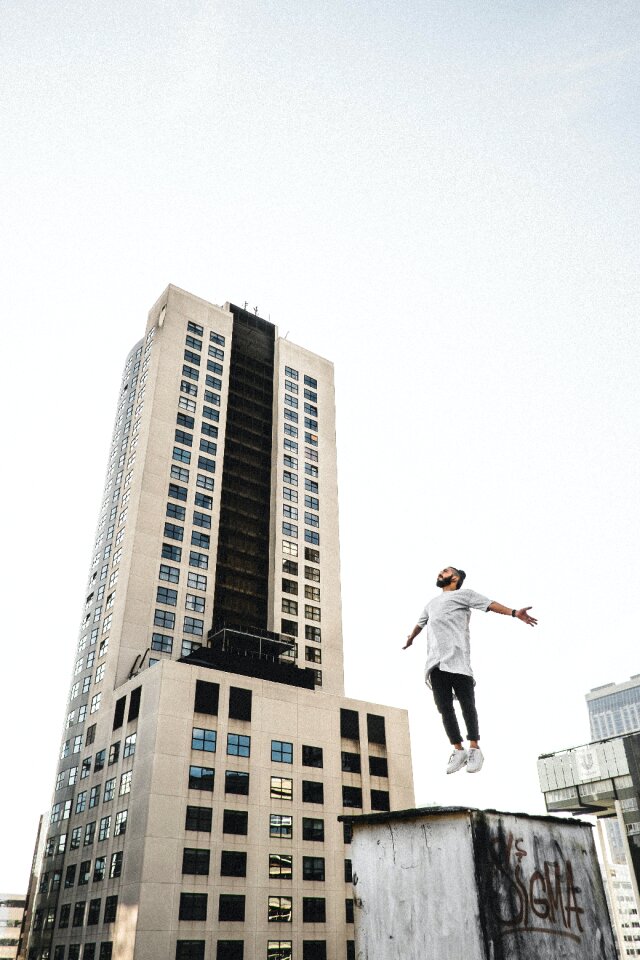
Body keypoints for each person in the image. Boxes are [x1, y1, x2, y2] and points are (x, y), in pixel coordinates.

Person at [403, 566, 537, 774]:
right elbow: (421, 623)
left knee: (467, 705)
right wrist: (411, 637)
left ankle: (474, 748)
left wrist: (513, 613)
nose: (440, 573)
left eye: (445, 571)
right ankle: (458, 750)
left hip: (458, 660)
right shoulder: (431, 604)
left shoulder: (464, 595)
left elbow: (489, 604)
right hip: (435, 663)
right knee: (444, 707)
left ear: (454, 578)